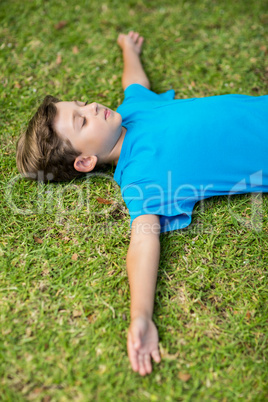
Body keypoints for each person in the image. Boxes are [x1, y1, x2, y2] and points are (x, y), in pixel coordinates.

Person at [16, 31, 268, 376]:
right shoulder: (140, 180)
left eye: (80, 103)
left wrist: (128, 50)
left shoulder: (133, 110)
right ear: (86, 161)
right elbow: (143, 241)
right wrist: (141, 316)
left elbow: (134, 83)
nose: (90, 107)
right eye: (82, 120)